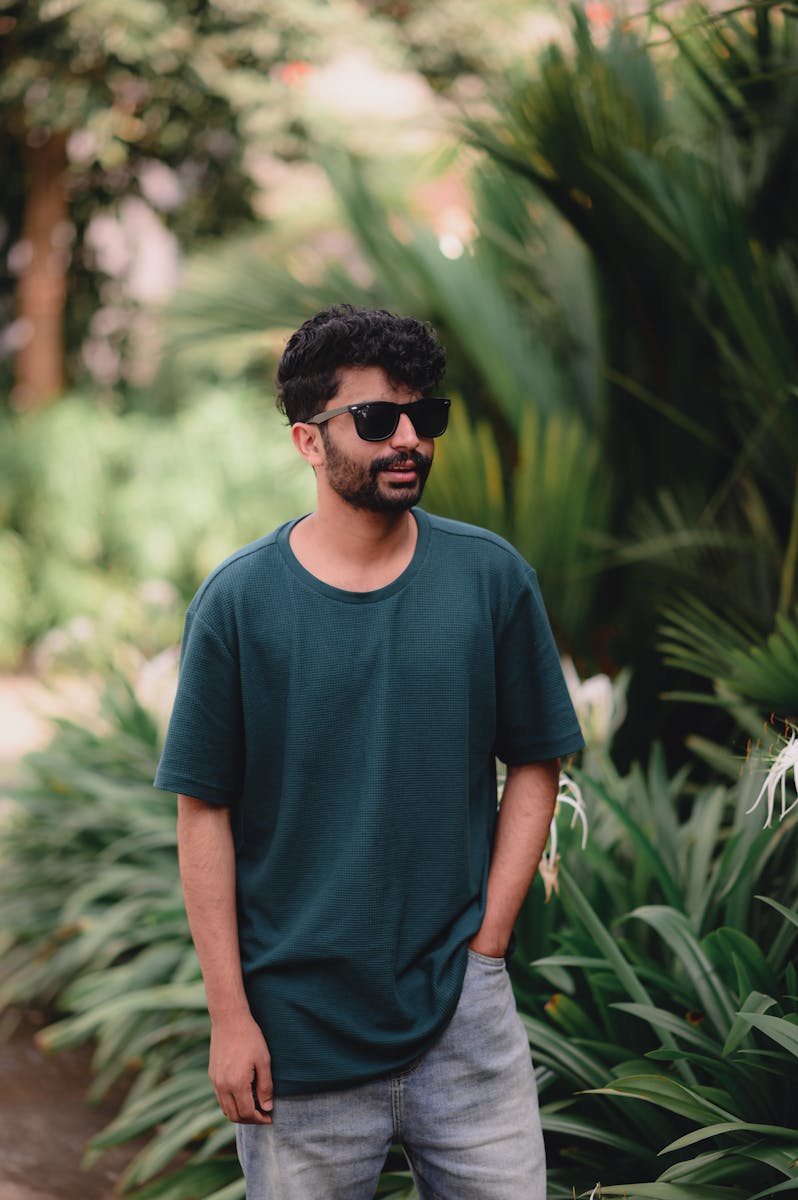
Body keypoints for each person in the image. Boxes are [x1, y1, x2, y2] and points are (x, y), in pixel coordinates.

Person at [155, 304, 584, 1200]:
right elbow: (205, 813)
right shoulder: (238, 605)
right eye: (377, 418)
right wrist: (229, 1016)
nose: (409, 440)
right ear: (310, 442)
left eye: (424, 417)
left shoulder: (491, 578)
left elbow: (539, 759)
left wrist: (488, 947)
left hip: (465, 1019)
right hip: (297, 1031)